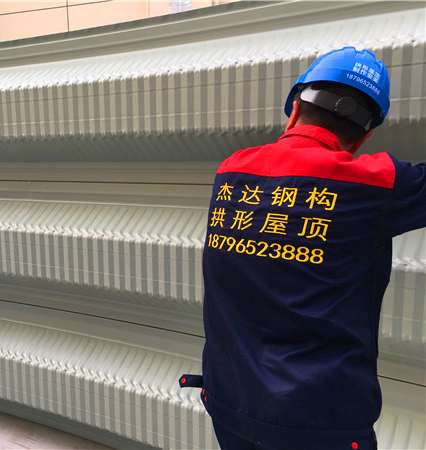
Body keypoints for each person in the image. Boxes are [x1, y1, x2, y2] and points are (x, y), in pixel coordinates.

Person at [180, 47, 426, 449]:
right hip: (318, 419)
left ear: (294, 109)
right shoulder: (378, 183)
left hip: (230, 402)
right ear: (364, 137)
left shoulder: (231, 169)